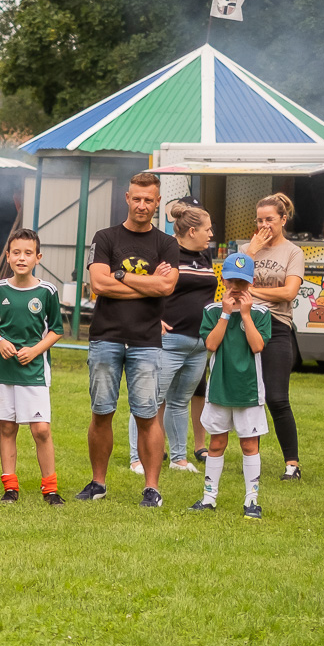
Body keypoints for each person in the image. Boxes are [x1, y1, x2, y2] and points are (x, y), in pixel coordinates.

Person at [77, 171, 180, 505]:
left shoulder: (167, 244)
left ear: (158, 202)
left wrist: (119, 274)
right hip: (106, 337)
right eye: (136, 198)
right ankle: (98, 483)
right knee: (101, 412)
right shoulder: (105, 237)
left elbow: (167, 286)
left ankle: (152, 488)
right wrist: (148, 284)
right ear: (127, 198)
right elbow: (99, 284)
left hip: (146, 341)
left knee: (147, 415)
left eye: (148, 200)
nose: (142, 205)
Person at [126, 201, 217, 473]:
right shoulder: (166, 253)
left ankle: (178, 459)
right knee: (149, 401)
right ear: (192, 231)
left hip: (199, 344)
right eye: (208, 230)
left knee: (179, 402)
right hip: (168, 342)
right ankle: (137, 458)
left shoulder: (205, 256)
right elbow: (142, 286)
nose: (211, 234)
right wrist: (151, 318)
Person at [0, 228, 64, 505]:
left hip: (34, 371)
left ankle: (50, 489)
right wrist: (0, 341)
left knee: (41, 429)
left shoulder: (47, 291)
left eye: (28, 253)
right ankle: (10, 488)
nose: (21, 258)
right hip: (4, 370)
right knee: (7, 428)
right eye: (16, 252)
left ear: (38, 257)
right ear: (7, 256)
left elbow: (57, 330)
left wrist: (36, 350)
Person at [188, 254, 271, 519]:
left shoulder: (260, 313)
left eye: (242, 282)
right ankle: (208, 498)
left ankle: (251, 501)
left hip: (249, 390)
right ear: (223, 280)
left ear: (251, 282)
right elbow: (211, 344)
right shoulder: (212, 311)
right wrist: (226, 313)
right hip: (219, 389)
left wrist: (245, 315)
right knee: (216, 443)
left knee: (249, 445)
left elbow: (257, 346)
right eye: (232, 281)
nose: (236, 287)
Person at [244, 193, 306, 480]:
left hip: (277, 326)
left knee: (277, 398)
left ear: (283, 219)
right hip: (246, 324)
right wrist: (250, 252)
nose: (264, 225)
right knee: (248, 396)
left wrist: (252, 290)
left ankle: (292, 464)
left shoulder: (293, 252)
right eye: (259, 220)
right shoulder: (247, 249)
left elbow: (289, 292)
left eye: (269, 219)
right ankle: (250, 460)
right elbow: (232, 284)